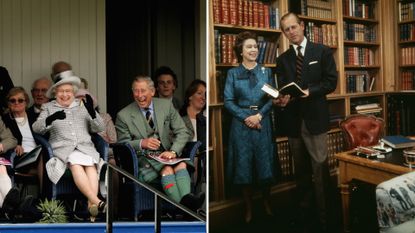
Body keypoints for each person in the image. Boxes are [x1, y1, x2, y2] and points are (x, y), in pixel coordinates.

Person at [274, 12, 338, 232]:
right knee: (300, 174)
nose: (291, 32)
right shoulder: (282, 59)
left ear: (302, 26)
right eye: (287, 30)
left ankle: (325, 219)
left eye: (294, 27)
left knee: (320, 171)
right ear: (284, 33)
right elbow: (283, 87)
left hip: (315, 120)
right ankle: (305, 218)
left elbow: (331, 82)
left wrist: (311, 91)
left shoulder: (321, 51)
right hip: (293, 122)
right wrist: (282, 99)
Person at [115, 76, 204, 211]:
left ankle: (185, 206)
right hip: (142, 159)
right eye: (136, 91)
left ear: (152, 91)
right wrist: (141, 143)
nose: (139, 96)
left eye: (143, 91)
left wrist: (173, 151)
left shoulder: (166, 106)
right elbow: (122, 145)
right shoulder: (123, 115)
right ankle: (187, 209)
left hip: (167, 155)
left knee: (181, 165)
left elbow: (182, 131)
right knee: (167, 169)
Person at [32, 74, 106, 221]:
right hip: (63, 150)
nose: (65, 95)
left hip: (86, 148)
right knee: (76, 164)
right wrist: (50, 119)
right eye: (61, 91)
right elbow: (36, 128)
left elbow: (100, 127)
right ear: (55, 93)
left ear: (73, 93)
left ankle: (92, 205)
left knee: (91, 166)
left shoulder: (83, 106)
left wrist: (92, 112)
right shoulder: (48, 107)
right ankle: (97, 201)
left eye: (68, 91)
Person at [224, 31, 278, 223]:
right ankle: (248, 208)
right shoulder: (232, 73)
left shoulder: (266, 72)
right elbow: (228, 101)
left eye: (255, 46)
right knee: (243, 167)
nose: (253, 50)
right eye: (249, 46)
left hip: (262, 123)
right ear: (240, 50)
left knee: (265, 165)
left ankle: (266, 203)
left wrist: (259, 116)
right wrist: (247, 118)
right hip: (241, 126)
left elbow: (274, 98)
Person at [3, 87, 45, 194]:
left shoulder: (33, 117)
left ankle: (43, 198)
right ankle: (44, 197)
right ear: (8, 103)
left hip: (36, 154)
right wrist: (15, 145)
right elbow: (6, 138)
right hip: (18, 156)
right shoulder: (6, 119)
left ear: (26, 102)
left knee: (44, 159)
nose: (16, 103)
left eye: (20, 100)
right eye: (13, 100)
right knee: (44, 164)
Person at [179, 79, 206, 193]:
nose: (203, 97)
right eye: (199, 93)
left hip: (203, 166)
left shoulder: (205, 121)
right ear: (190, 96)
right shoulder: (178, 120)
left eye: (205, 94)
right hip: (184, 165)